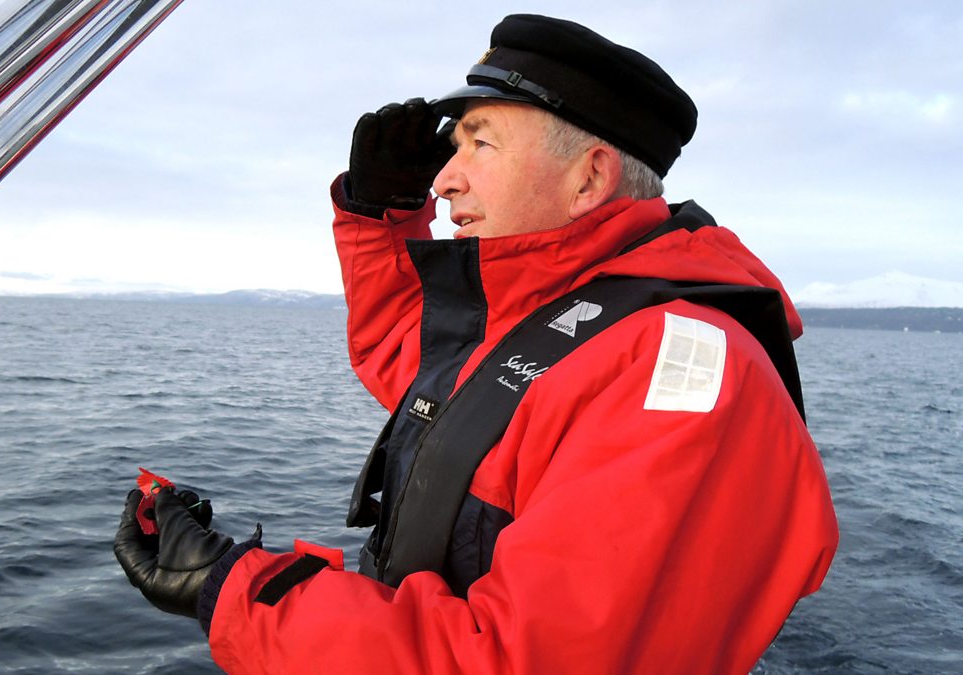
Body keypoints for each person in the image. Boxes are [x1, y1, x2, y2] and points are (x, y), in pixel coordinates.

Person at [114, 14, 838, 673]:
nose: (444, 179)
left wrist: (233, 589)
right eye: (452, 148)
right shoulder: (560, 318)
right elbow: (420, 365)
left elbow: (527, 660)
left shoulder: (680, 373)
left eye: (480, 142)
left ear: (589, 177)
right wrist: (381, 216)